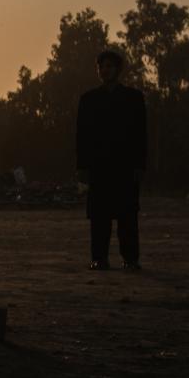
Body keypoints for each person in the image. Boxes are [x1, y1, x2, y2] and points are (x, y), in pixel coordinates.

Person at [76, 50, 147, 271]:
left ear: (118, 69)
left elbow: (141, 134)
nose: (104, 70)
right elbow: (82, 136)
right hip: (99, 167)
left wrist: (140, 165)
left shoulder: (133, 98)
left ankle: (130, 259)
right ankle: (99, 258)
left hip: (125, 166)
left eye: (109, 66)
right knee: (99, 217)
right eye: (101, 67)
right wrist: (82, 167)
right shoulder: (88, 100)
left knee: (128, 217)